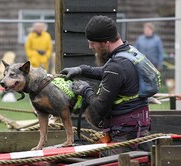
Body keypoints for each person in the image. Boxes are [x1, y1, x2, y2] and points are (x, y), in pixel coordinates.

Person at [60, 15, 152, 156]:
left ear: (106, 42)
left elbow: (100, 108)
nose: (90, 46)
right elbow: (107, 72)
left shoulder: (116, 67)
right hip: (138, 132)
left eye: (93, 43)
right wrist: (81, 69)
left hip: (125, 140)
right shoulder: (129, 53)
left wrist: (85, 90)